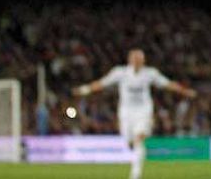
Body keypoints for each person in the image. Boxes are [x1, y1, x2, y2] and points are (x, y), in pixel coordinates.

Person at [72, 49, 196, 179]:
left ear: (143, 60)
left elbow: (168, 84)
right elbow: (102, 83)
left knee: (139, 138)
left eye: (139, 59)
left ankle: (135, 174)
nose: (137, 61)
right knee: (129, 140)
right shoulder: (120, 72)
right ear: (129, 60)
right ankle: (133, 146)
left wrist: (185, 91)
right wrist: (84, 89)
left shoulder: (150, 73)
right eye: (134, 59)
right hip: (126, 112)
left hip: (143, 111)